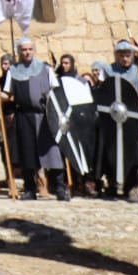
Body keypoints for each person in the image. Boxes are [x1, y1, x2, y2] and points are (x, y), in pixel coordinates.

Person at [93, 40, 138, 200]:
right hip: (121, 118)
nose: (125, 59)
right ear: (116, 56)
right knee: (128, 153)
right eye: (122, 55)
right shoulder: (110, 69)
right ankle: (131, 186)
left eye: (128, 55)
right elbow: (98, 73)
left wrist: (137, 49)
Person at [0, 38, 68, 200]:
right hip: (24, 116)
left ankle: (59, 187)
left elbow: (56, 91)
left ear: (33, 50)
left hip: (44, 116)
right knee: (27, 152)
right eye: (24, 50)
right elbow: (8, 94)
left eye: (30, 49)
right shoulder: (13, 71)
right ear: (19, 52)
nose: (27, 52)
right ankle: (30, 188)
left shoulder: (45, 69)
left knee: (52, 152)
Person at [52, 53, 98, 195]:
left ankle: (86, 182)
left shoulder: (81, 81)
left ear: (72, 64)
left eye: (67, 63)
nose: (64, 66)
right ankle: (68, 184)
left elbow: (87, 101)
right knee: (67, 152)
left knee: (83, 152)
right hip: (66, 122)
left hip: (80, 121)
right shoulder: (57, 82)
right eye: (62, 63)